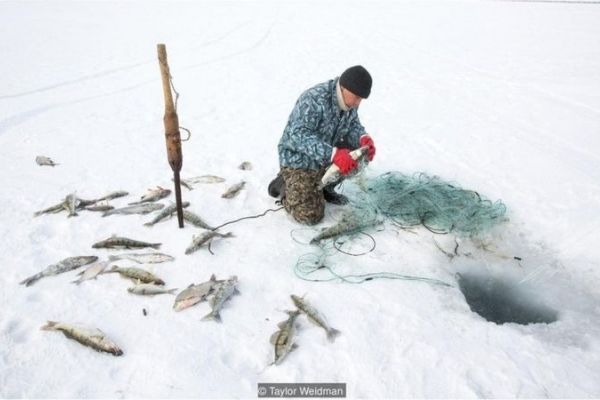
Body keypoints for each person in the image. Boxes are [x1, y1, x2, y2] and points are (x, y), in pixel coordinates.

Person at [268, 65, 376, 225]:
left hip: (325, 158)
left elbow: (353, 125)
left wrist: (363, 138)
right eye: (357, 97)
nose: (358, 103)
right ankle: (285, 186)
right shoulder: (313, 99)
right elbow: (297, 135)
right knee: (310, 216)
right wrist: (333, 154)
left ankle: (324, 187)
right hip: (299, 161)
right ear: (344, 88)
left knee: (359, 156)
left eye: (361, 99)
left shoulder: (349, 102)